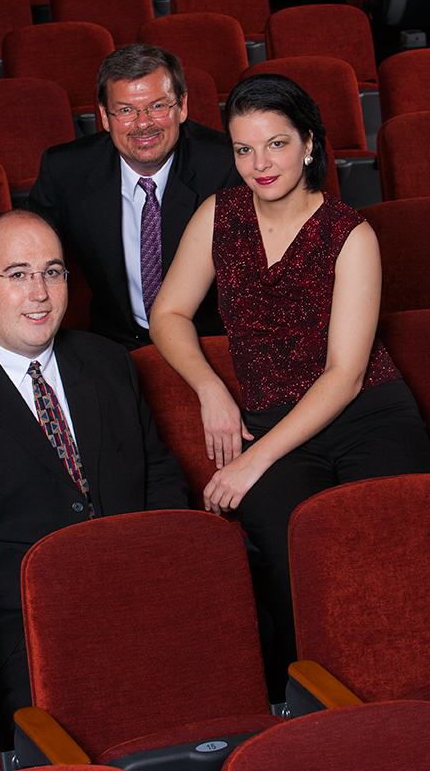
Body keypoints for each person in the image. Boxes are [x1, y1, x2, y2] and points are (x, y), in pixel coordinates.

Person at [149, 74, 430, 698]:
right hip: (271, 419)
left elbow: (346, 375)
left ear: (309, 144)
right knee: (285, 550)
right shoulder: (218, 216)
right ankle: (310, 706)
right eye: (244, 149)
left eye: (275, 144)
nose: (259, 164)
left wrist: (252, 461)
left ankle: (405, 696)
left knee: (390, 544)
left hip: (365, 415)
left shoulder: (349, 232)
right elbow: (167, 313)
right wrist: (211, 389)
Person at [0, 209, 189, 747]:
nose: (40, 292)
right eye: (18, 274)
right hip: (22, 623)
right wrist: (62, 583)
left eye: (53, 271)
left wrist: (146, 562)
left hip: (138, 590)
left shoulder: (110, 363)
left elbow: (158, 475)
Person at [28, 42, 242, 350]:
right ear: (104, 116)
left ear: (182, 106)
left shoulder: (226, 166)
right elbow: (21, 252)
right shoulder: (65, 171)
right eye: (126, 110)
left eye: (157, 106)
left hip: (209, 341)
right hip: (114, 345)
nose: (143, 123)